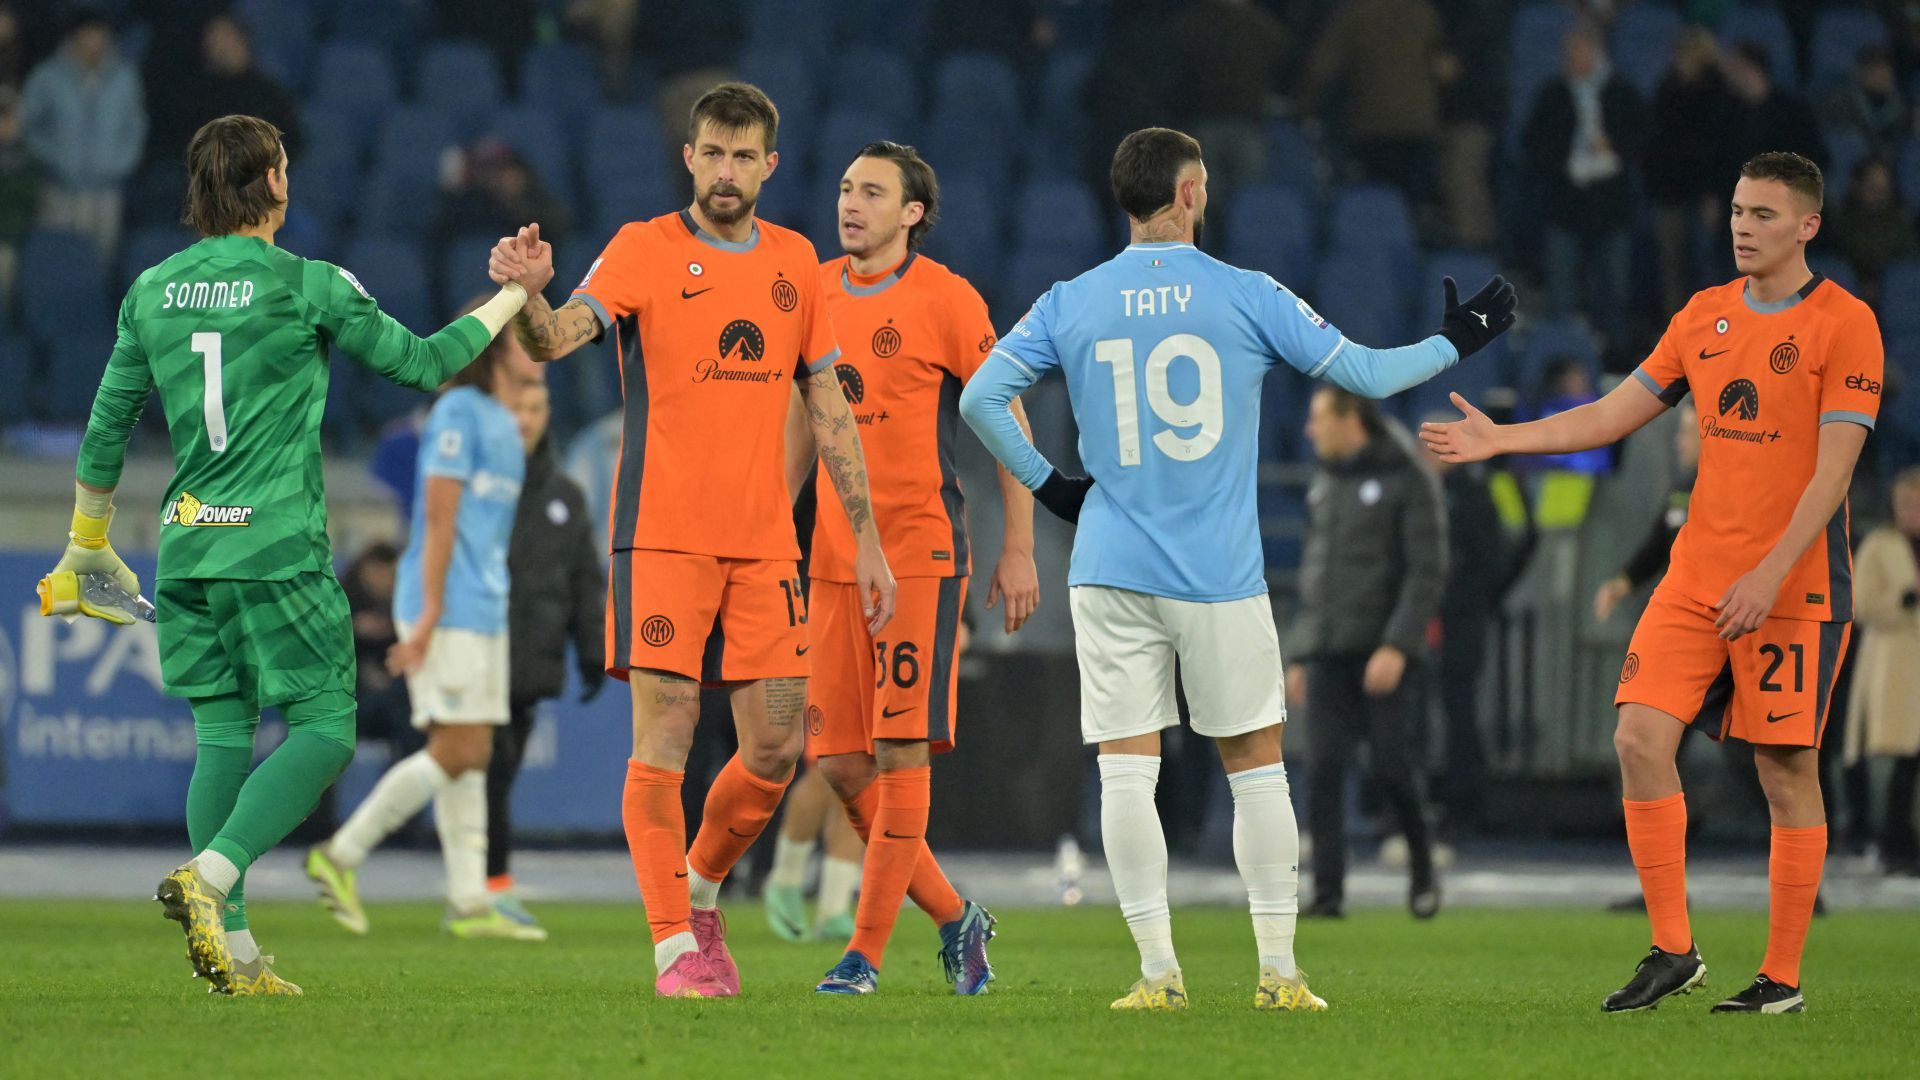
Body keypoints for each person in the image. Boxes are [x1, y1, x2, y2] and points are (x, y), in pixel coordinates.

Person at [962, 126, 1516, 1012]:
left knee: (1125, 770)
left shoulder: (1070, 300)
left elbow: (981, 396)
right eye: (1205, 185)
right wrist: (1461, 339)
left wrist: (1055, 488)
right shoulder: (1246, 294)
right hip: (1218, 572)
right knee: (1257, 766)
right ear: (1187, 194)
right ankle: (1278, 974)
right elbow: (1369, 378)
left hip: (1109, 563)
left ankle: (1156, 976)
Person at [49, 113, 535, 996]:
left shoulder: (152, 288)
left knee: (221, 736)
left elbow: (108, 423)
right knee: (326, 729)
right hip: (274, 543)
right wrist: (508, 296)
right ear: (272, 182)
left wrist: (87, 540)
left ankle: (231, 956)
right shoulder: (306, 283)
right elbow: (425, 366)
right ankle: (213, 875)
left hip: (189, 547)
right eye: (282, 168)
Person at [1423, 152, 1884, 1015]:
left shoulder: (1845, 323)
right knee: (1638, 739)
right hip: (1696, 576)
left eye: (1766, 216)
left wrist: (1770, 572)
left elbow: (1835, 473)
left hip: (1793, 584)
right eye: (1740, 210)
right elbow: (1610, 414)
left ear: (1809, 226)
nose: (1745, 227)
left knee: (1785, 768)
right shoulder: (1703, 316)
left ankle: (1781, 978)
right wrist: (1504, 440)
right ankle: (1674, 949)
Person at [489, 82, 896, 999]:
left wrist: (864, 538)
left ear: (769, 166)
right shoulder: (644, 249)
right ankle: (676, 946)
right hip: (663, 539)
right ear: (690, 157)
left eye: (742, 156)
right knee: (668, 731)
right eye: (711, 153)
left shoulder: (797, 263)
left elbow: (829, 404)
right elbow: (555, 341)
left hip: (766, 548)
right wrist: (526, 295)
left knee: (776, 749)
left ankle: (701, 887)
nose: (725, 171)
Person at [792, 142, 1040, 996]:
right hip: (828, 562)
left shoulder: (947, 300)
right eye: (844, 188)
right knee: (841, 766)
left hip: (919, 558)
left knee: (900, 752)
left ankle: (862, 956)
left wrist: (1018, 547)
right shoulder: (812, 290)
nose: (850, 203)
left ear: (912, 214)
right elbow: (800, 427)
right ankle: (953, 916)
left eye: (871, 192)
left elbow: (1006, 420)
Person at [307, 298, 538, 942]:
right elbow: (436, 521)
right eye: (528, 337)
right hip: (449, 603)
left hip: (483, 603)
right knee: (458, 748)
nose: (541, 345)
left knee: (474, 753)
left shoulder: (503, 424)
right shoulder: (457, 415)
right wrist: (428, 612)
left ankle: (468, 902)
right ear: (496, 347)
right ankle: (341, 854)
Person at [1287, 388, 1443, 918]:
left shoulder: (1406, 477)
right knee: (1323, 770)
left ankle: (1423, 870)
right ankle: (1328, 895)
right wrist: (1302, 653)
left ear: (1350, 418)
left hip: (1383, 655)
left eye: (1318, 419)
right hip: (1330, 653)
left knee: (1393, 767)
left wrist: (1398, 645)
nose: (1311, 431)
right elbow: (1316, 576)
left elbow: (1426, 569)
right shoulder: (1326, 483)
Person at [486, 362, 608, 935]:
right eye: (517, 410)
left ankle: (486, 887)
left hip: (532, 657)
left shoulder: (565, 496)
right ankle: (491, 886)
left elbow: (586, 580)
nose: (526, 422)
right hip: (478, 646)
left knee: (497, 771)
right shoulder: (479, 482)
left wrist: (591, 649)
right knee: (477, 768)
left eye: (535, 411)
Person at [1521, 21, 1643, 339]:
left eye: (1576, 52)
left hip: (1611, 207)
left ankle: (1617, 358)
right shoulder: (1553, 95)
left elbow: (1643, 139)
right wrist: (1565, 155)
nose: (1569, 60)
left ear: (1595, 54)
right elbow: (1532, 144)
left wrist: (1612, 145)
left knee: (1615, 291)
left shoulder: (1621, 93)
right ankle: (1564, 354)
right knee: (1561, 292)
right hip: (1564, 206)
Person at [19, 7, 144, 260]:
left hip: (107, 191)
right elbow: (28, 125)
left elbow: (136, 125)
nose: (97, 42)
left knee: (103, 260)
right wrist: (53, 158)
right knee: (59, 261)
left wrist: (119, 163)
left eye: (103, 35)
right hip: (60, 189)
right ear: (75, 36)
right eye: (91, 34)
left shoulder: (124, 76)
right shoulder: (48, 76)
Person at [1843, 468, 1920, 876]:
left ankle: (1905, 842)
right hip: (1892, 664)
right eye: (1906, 503)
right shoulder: (1879, 545)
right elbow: (1860, 603)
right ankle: (1889, 842)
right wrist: (1902, 599)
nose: (1912, 511)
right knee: (1894, 758)